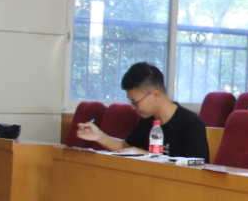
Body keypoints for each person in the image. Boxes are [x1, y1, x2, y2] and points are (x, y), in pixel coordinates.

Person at [76, 61, 210, 160]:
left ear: (155, 95)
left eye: (135, 102)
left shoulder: (191, 124)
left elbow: (196, 166)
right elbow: (125, 147)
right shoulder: (147, 119)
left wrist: (147, 155)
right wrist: (99, 136)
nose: (133, 107)